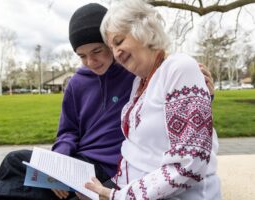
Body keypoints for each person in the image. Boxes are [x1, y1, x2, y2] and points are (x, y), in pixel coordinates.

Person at [0, 3, 215, 200]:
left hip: (111, 169)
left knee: (31, 187)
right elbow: (67, 131)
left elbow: (176, 109)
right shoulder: (78, 83)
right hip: (77, 164)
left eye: (98, 51)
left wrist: (205, 95)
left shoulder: (135, 73)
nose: (91, 61)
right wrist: (59, 161)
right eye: (82, 55)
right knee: (16, 164)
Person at [84, 0, 221, 199]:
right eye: (111, 47)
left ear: (144, 30)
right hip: (126, 185)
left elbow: (190, 162)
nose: (115, 52)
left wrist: (117, 196)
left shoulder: (179, 68)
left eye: (119, 41)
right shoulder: (139, 82)